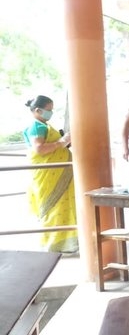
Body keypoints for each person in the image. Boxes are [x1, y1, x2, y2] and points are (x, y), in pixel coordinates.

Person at [23, 95, 78, 253]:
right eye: (49, 110)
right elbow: (39, 149)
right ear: (38, 110)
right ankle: (52, 245)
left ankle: (67, 244)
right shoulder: (36, 126)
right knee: (52, 208)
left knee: (63, 207)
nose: (51, 113)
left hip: (58, 173)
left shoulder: (43, 125)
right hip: (48, 174)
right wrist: (62, 142)